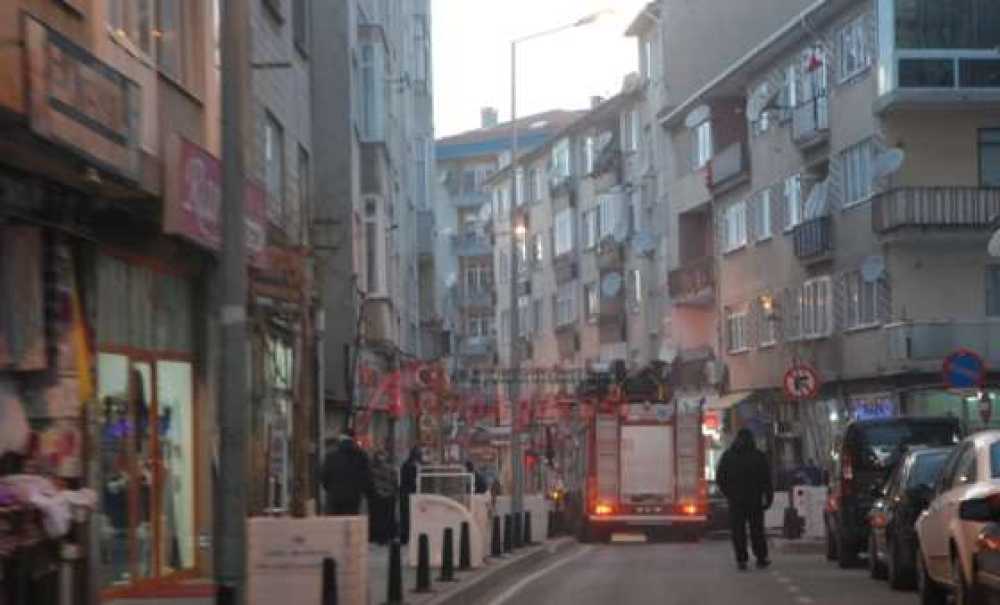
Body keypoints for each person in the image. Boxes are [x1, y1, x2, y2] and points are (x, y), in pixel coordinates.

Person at [716, 428, 773, 571]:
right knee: (757, 530)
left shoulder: (728, 456)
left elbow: (720, 478)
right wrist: (768, 498)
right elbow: (767, 480)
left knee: (738, 531)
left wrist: (728, 494)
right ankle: (761, 557)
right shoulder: (758, 456)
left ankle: (741, 560)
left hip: (736, 501)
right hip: (755, 501)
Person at [322, 430, 372, 515]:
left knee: (334, 524)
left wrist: (331, 489)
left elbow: (324, 477)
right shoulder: (362, 455)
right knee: (350, 524)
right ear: (354, 439)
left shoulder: (331, 456)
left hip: (334, 497)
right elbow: (367, 477)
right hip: (353, 498)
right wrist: (360, 490)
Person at [369, 449, 398, 544]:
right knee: (387, 517)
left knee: (380, 517)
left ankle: (380, 537)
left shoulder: (372, 469)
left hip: (379, 495)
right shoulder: (390, 468)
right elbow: (394, 481)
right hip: (387, 495)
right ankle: (386, 536)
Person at [399, 446, 422, 544]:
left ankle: (407, 536)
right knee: (407, 516)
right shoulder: (410, 465)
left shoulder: (408, 465)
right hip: (409, 493)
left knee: (407, 516)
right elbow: (408, 480)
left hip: (408, 493)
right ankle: (406, 536)